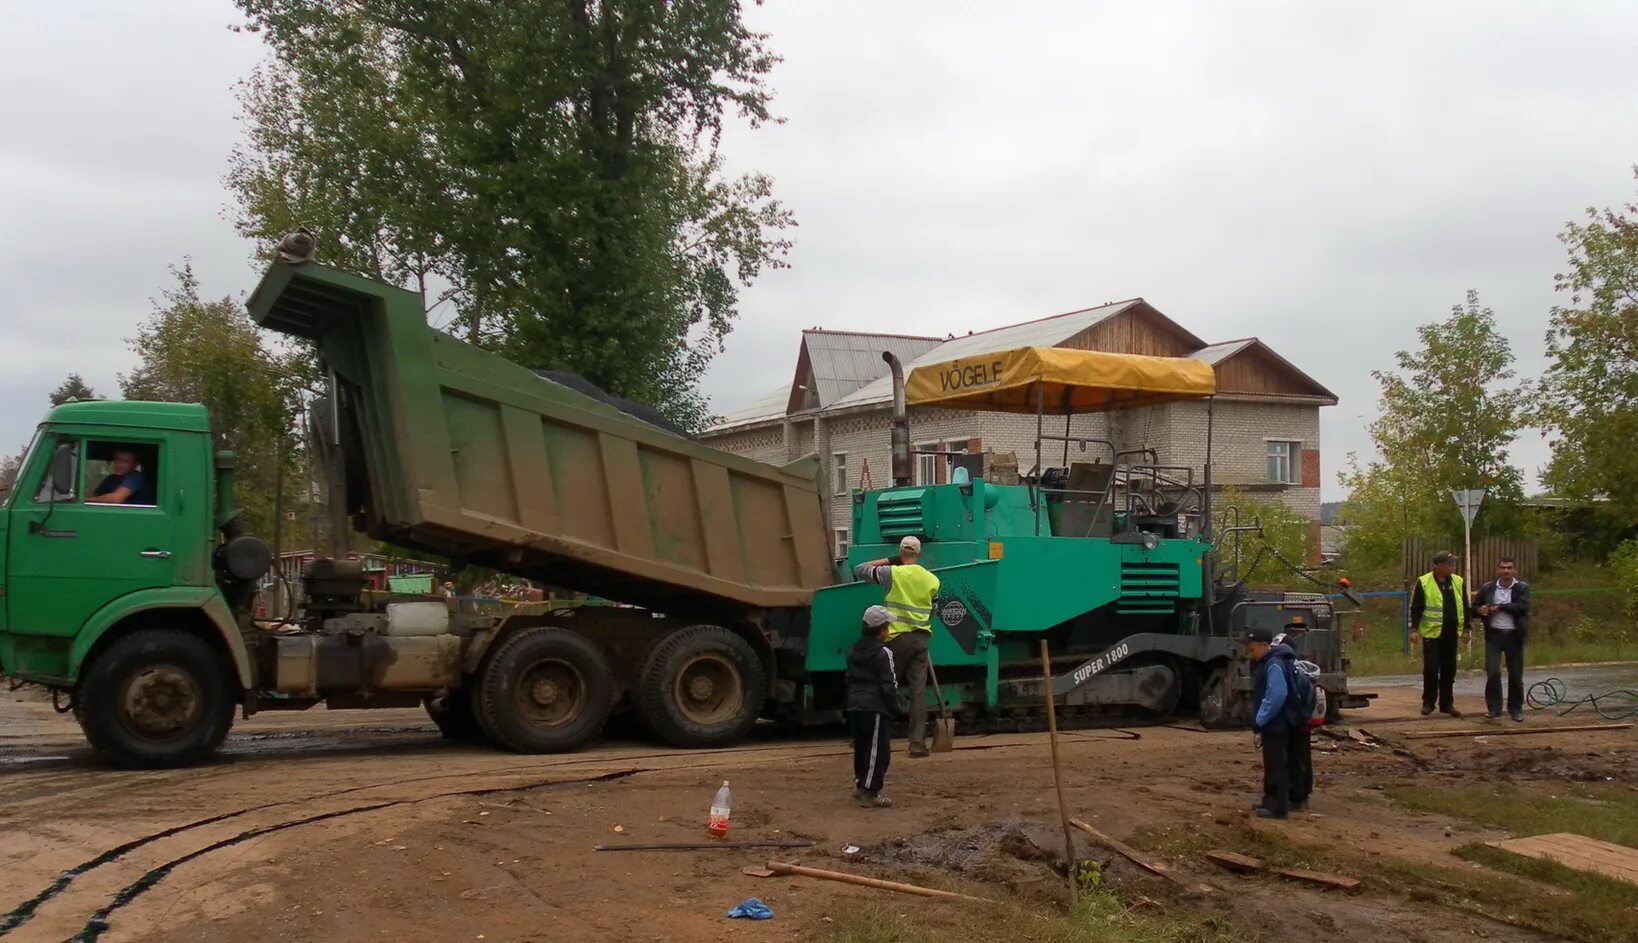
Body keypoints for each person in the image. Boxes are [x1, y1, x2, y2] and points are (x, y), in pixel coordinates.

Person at [853, 535, 941, 757]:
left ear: (901, 552)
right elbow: (934, 611)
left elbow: (860, 569)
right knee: (918, 693)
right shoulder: (932, 580)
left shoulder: (892, 573)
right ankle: (917, 744)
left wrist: (889, 560)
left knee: (884, 687)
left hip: (896, 640)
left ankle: (870, 735)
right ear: (919, 554)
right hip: (921, 640)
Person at [1245, 626, 1303, 820]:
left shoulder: (1274, 664)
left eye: (1252, 650)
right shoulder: (1270, 662)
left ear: (1264, 645)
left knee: (1276, 765)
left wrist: (1260, 719)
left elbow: (1276, 695)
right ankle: (1270, 800)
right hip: (1274, 723)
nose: (1250, 655)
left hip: (1276, 724)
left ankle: (1278, 807)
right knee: (1271, 765)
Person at [846, 605, 897, 808]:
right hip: (875, 706)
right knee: (878, 750)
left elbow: (848, 678)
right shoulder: (884, 652)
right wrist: (896, 706)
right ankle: (871, 791)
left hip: (855, 705)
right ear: (881, 630)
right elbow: (889, 684)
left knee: (862, 747)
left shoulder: (852, 650)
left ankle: (861, 785)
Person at [1473, 556, 1531, 722]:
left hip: (1514, 635)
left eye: (1509, 568)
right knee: (1492, 671)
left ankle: (1516, 709)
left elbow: (1523, 607)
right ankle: (1493, 708)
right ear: (1498, 570)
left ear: (1515, 570)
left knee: (1515, 675)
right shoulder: (1488, 588)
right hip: (1494, 636)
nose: (1506, 571)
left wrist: (1500, 607)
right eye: (1503, 568)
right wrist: (1481, 610)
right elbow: (1474, 608)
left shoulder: (1521, 588)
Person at [1409, 551, 1466, 717]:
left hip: (1451, 632)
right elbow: (1416, 607)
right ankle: (1428, 703)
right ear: (1439, 566)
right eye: (1450, 564)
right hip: (1431, 634)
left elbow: (1465, 605)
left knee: (1449, 670)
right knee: (1431, 669)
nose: (1453, 567)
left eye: (1453, 564)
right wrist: (1414, 630)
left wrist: (1467, 629)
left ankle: (1447, 704)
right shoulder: (1424, 582)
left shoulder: (1458, 581)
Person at [1273, 626, 1315, 812]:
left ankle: (1298, 797)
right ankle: (1301, 794)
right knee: (1300, 757)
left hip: (1297, 721)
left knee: (1297, 758)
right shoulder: (1299, 670)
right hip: (1301, 720)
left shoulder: (1291, 671)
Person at [86, 448, 152, 505]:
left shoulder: (136, 478)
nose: (119, 465)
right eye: (117, 460)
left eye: (125, 461)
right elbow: (93, 496)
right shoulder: (110, 479)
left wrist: (88, 500)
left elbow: (115, 499)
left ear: (135, 464)